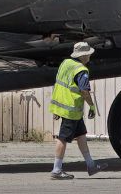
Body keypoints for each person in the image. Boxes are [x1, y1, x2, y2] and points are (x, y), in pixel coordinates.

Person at [49, 42, 107, 179]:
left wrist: (57, 109)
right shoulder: (81, 70)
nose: (90, 56)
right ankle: (56, 170)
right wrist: (92, 106)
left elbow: (60, 84)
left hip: (63, 106)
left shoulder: (66, 63)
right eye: (88, 54)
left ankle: (91, 165)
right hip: (71, 110)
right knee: (63, 138)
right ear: (84, 55)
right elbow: (84, 91)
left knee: (81, 135)